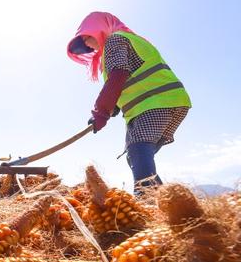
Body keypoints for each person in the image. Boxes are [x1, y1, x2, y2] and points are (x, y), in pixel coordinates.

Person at [67, 12, 191, 196]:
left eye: (87, 37)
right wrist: (115, 106)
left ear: (100, 28)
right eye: (83, 42)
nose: (86, 44)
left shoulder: (114, 40)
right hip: (169, 101)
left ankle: (147, 201)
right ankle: (168, 201)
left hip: (155, 102)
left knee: (138, 149)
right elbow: (127, 77)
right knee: (136, 154)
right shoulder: (129, 40)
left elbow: (118, 74)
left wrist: (101, 113)